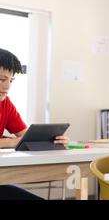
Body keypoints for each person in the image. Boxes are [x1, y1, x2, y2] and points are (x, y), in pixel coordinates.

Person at [0, 48, 70, 200]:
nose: (7, 87)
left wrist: (53, 140)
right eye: (1, 79)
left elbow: (26, 135)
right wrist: (12, 142)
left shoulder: (5, 103)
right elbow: (16, 141)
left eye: (11, 80)